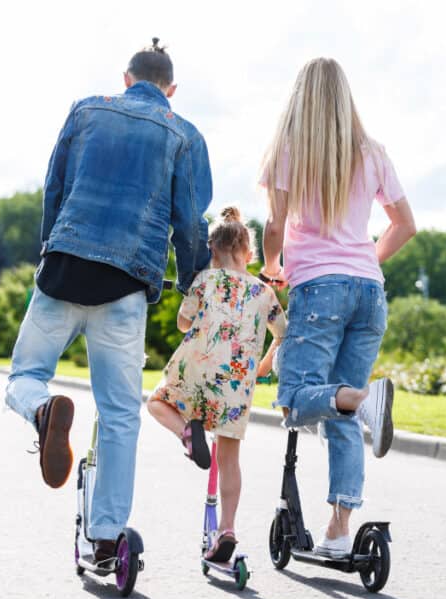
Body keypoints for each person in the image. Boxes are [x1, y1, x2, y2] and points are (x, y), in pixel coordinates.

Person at [4, 39, 212, 563]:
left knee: (24, 375)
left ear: (126, 79)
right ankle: (105, 535)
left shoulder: (86, 109)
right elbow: (190, 223)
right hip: (125, 283)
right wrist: (193, 285)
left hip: (64, 268)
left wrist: (51, 249)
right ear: (171, 90)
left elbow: (55, 188)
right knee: (121, 414)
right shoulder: (184, 134)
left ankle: (42, 408)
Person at [259, 57, 417, 558]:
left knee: (294, 398)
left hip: (319, 291)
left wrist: (270, 267)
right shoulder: (372, 152)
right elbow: (404, 225)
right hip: (369, 293)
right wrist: (364, 260)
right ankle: (338, 530)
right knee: (339, 404)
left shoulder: (289, 150)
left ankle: (367, 399)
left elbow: (275, 225)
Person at [147, 207, 285, 561]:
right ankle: (227, 528)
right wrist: (264, 364)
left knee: (156, 403)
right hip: (236, 384)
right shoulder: (263, 292)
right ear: (249, 254)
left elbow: (182, 323)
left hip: (195, 372)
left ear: (212, 251)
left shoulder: (204, 282)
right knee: (229, 457)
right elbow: (285, 333)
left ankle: (187, 434)